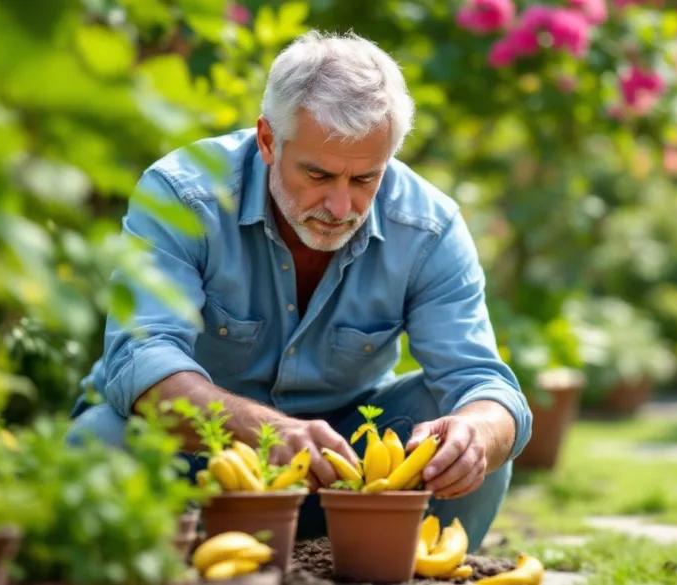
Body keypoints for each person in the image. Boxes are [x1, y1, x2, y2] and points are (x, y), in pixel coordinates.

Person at [66, 30, 532, 551]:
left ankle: (391, 563)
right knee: (102, 439)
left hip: (348, 469)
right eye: (318, 173)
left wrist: (478, 434)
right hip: (195, 456)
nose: (340, 206)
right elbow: (141, 360)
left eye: (365, 179)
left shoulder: (428, 227)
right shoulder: (182, 195)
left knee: (467, 441)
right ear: (267, 140)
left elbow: (486, 385)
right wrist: (272, 432)